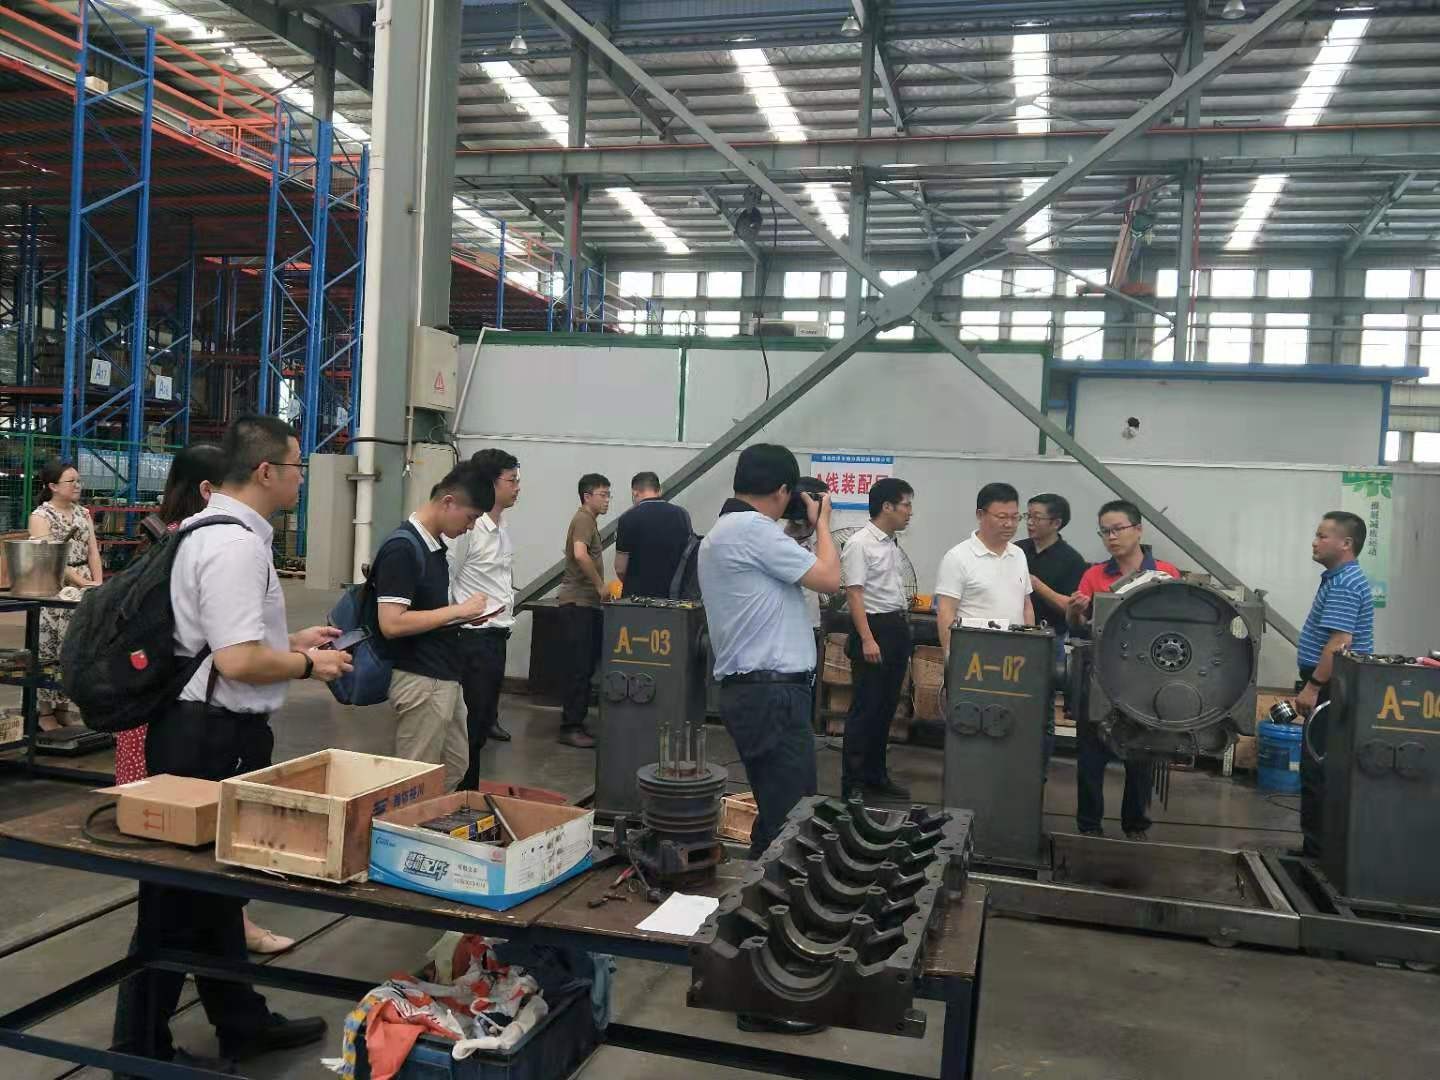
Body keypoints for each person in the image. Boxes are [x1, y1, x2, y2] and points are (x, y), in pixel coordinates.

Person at [113, 416, 351, 1070]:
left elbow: (223, 640)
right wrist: (308, 666)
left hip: (208, 732)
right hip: (208, 740)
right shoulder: (235, 545)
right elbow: (238, 660)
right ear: (267, 471)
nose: (302, 478)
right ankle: (138, 1050)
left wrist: (290, 642)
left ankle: (241, 1022)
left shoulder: (214, 531)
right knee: (173, 901)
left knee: (214, 895)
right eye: (298, 466)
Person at [699, 444, 839, 858]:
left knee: (777, 812)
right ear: (781, 491)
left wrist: (803, 530)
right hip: (771, 694)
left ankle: (759, 886)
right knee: (793, 822)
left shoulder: (728, 530)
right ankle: (775, 894)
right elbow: (829, 578)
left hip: (757, 692)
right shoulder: (752, 530)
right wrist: (824, 522)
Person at [373, 464, 497, 790]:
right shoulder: (403, 548)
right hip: (420, 677)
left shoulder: (433, 546)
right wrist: (457, 611)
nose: (470, 527)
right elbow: (391, 622)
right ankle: (405, 823)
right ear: (448, 502)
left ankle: (426, 818)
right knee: (415, 780)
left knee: (454, 765)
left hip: (443, 674)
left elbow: (425, 611)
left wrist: (459, 617)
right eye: (470, 517)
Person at [1066, 499, 1181, 840]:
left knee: (1141, 757)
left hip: (1145, 684)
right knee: (1090, 758)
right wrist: (1075, 611)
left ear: (1138, 529)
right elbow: (1077, 628)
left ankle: (1135, 825)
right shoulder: (1094, 575)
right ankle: (1089, 825)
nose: (1111, 537)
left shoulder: (1166, 574)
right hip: (1099, 678)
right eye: (1105, 531)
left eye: (1117, 529)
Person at [121, 444, 227, 785]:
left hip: (143, 679)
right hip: (177, 691)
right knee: (173, 791)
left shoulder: (162, 534)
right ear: (207, 489)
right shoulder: (199, 539)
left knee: (142, 788)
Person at [1293, 511, 1374, 858]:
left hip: (1329, 688)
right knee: (1319, 767)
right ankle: (1320, 849)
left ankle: (1318, 854)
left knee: (1318, 769)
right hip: (1330, 685)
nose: (1315, 542)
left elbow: (1339, 643)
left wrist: (1313, 686)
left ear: (1346, 543)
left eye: (1322, 535)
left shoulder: (1344, 583)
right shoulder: (1338, 578)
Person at [840, 477, 915, 801]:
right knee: (865, 709)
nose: (910, 512)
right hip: (874, 629)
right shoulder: (860, 543)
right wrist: (868, 639)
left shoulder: (890, 542)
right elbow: (854, 594)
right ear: (887, 506)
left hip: (896, 628)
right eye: (906, 505)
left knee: (885, 708)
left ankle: (876, 776)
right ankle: (853, 783)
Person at [449, 448, 521, 785]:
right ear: (490, 484)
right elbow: (448, 581)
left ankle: (470, 792)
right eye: (511, 480)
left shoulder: (500, 526)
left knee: (480, 727)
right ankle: (462, 793)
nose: (517, 487)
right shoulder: (469, 531)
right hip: (471, 640)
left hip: (496, 638)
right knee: (469, 728)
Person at [29, 460, 103, 731]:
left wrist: (97, 582)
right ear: (52, 486)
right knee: (49, 648)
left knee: (74, 648)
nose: (78, 486)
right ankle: (45, 712)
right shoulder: (41, 517)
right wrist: (84, 583)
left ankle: (63, 707)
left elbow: (92, 550)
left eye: (78, 480)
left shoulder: (83, 513)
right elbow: (52, 557)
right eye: (71, 481)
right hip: (54, 585)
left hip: (83, 584)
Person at [933, 482, 1034, 659]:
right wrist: (952, 659)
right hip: (973, 657)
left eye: (1015, 517)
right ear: (980, 514)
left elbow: (1026, 605)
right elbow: (946, 612)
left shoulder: (1018, 554)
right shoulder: (957, 557)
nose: (1009, 524)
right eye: (1002, 517)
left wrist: (1031, 646)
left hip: (1014, 656)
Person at [556, 473, 612, 749]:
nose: (607, 500)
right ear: (587, 496)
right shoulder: (583, 519)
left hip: (586, 604)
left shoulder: (589, 521)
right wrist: (600, 585)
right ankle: (570, 727)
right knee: (578, 669)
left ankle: (576, 721)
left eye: (609, 495)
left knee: (585, 667)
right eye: (603, 495)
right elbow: (580, 553)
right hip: (577, 603)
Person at [615, 471, 692, 599]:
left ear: (635, 493)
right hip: (674, 598)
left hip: (637, 599)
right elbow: (689, 555)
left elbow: (620, 568)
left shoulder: (627, 518)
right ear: (660, 491)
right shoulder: (682, 515)